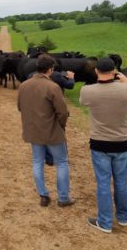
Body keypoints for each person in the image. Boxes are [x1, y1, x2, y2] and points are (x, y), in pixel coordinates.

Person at [80, 57, 127, 233]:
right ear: (114, 71)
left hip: (99, 144)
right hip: (121, 143)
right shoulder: (126, 90)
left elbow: (82, 102)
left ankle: (105, 222)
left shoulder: (87, 91)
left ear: (96, 71)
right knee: (121, 182)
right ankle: (123, 218)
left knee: (103, 183)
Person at [17, 54, 75, 207]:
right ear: (50, 70)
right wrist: (61, 126)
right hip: (52, 131)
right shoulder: (53, 87)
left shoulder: (24, 85)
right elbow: (62, 112)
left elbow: (19, 107)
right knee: (62, 163)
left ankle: (43, 195)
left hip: (33, 131)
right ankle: (63, 198)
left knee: (37, 162)